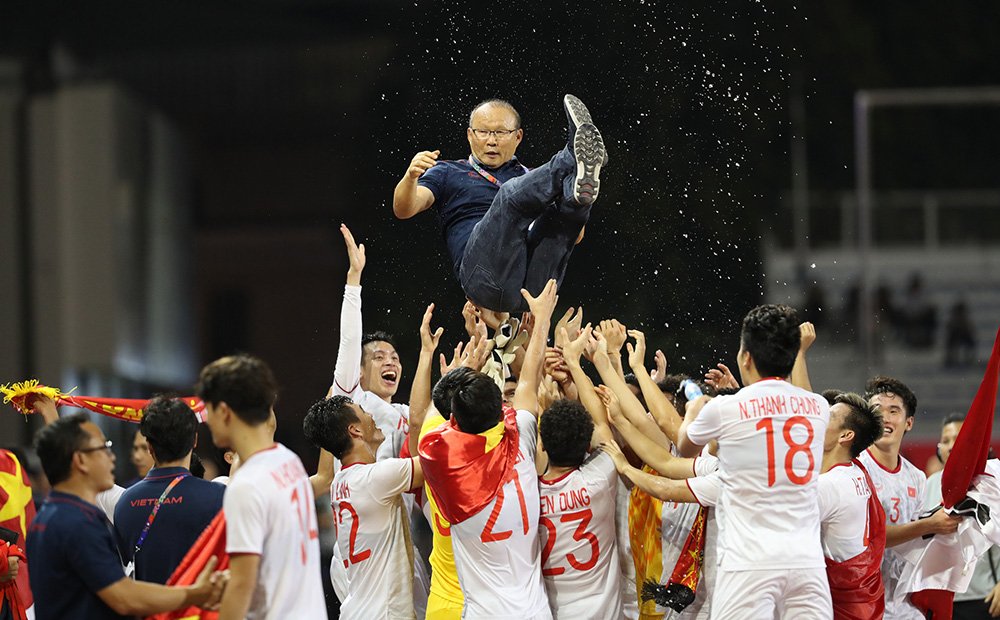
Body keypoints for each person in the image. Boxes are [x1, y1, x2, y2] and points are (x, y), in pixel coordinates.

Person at [675, 304, 833, 619]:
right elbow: (793, 398)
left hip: (748, 562)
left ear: (746, 357)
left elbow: (685, 449)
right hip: (806, 562)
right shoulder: (819, 408)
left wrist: (691, 415)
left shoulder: (725, 408)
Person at [418, 279, 559, 619]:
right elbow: (527, 381)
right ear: (501, 410)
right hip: (536, 613)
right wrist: (541, 323)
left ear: (454, 418)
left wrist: (465, 368)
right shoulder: (521, 437)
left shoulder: (439, 459)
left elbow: (434, 418)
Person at [393, 96, 607, 313]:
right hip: (485, 280)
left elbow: (575, 237)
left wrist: (568, 213)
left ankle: (577, 183)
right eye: (483, 132)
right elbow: (404, 209)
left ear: (518, 137)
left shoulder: (533, 178)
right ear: (470, 135)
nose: (491, 141)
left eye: (501, 133)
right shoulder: (447, 171)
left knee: (558, 210)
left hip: (536, 291)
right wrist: (410, 177)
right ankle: (571, 158)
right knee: (510, 196)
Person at [26, 414, 226, 620]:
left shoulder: (48, 516)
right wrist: (195, 594)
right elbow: (125, 598)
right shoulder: (76, 524)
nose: (112, 457)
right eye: (103, 449)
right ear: (80, 460)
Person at [197, 354, 328, 620]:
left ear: (223, 411)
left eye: (206, 410)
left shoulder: (245, 485)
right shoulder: (289, 461)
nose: (206, 420)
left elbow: (241, 588)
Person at [303, 395, 423, 620]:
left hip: (357, 610)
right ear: (355, 430)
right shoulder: (375, 479)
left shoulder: (340, 481)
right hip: (384, 615)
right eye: (363, 411)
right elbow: (437, 461)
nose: (371, 415)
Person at [858, 376, 960, 620]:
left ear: (909, 422)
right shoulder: (855, 469)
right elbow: (871, 538)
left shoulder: (916, 477)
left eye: (893, 411)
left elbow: (914, 542)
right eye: (876, 410)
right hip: (863, 604)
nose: (884, 417)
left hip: (904, 606)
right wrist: (929, 524)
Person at [113, 397, 226, 584]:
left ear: (149, 446)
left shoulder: (124, 503)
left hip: (147, 611)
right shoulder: (219, 497)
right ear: (194, 441)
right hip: (198, 611)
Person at [538, 397, 623, 619]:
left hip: (552, 612)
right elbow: (602, 425)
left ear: (542, 445)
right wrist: (574, 369)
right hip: (605, 613)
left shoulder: (527, 495)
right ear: (587, 446)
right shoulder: (601, 477)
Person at [922, 413, 1000, 619]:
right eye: (946, 441)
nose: (951, 446)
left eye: (958, 438)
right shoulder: (929, 484)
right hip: (940, 597)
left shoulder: (992, 482)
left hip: (984, 598)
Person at [817, 392, 888, 620]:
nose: (817, 418)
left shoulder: (831, 485)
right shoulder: (855, 470)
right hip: (862, 601)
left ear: (846, 435)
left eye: (827, 416)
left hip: (841, 607)